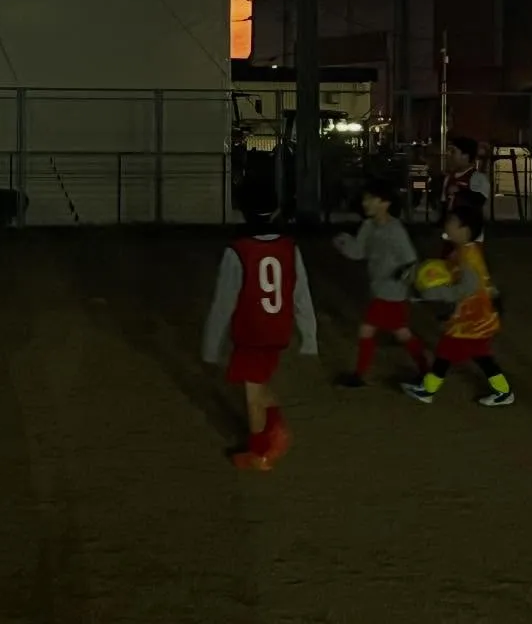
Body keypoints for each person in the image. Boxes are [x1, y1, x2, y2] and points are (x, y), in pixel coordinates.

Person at [202, 179, 318, 471]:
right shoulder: (289, 247)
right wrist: (309, 335)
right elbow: (301, 292)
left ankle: (259, 454)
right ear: (276, 209)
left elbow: (223, 302)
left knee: (252, 393)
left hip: (252, 330)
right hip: (278, 328)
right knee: (260, 382)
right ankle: (277, 430)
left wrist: (210, 346)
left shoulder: (238, 250)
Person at [402, 203, 514, 407]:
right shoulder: (464, 251)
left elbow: (465, 288)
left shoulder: (467, 256)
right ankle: (503, 391)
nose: (447, 225)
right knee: (480, 356)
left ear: (465, 229)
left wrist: (432, 293)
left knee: (447, 352)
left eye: (452, 222)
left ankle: (428, 389)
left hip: (470, 320)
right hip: (476, 318)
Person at [331, 176, 428, 386]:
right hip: (382, 289)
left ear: (385, 203)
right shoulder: (368, 225)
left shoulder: (395, 231)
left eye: (371, 199)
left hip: (390, 292)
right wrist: (343, 242)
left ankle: (359, 375)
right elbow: (358, 252)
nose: (366, 203)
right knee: (401, 332)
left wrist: (404, 280)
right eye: (366, 199)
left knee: (368, 330)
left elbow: (410, 261)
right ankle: (426, 370)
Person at [441, 135, 491, 240]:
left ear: (465, 156)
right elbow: (444, 205)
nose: (449, 155)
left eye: (453, 152)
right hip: (450, 234)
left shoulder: (477, 178)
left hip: (470, 237)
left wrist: (460, 192)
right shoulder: (448, 179)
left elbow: (478, 201)